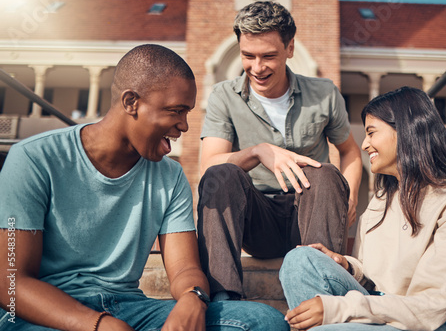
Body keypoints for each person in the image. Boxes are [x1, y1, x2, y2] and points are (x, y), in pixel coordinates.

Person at [0, 44, 289, 331]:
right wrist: (99, 325)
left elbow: (185, 269)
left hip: (131, 309)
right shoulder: (34, 158)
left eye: (187, 112)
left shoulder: (171, 175)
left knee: (264, 322)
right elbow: (10, 282)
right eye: (176, 111)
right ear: (131, 102)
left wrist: (194, 299)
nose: (185, 126)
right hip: (46, 313)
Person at [279, 86, 446, 330]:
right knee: (300, 260)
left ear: (405, 131)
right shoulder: (382, 199)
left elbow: (432, 305)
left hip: (444, 322)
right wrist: (349, 266)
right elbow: (375, 279)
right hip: (385, 308)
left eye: (371, 133)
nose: (364, 144)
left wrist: (337, 309)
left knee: (329, 328)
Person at [197, 1, 362, 302]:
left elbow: (350, 152)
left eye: (268, 56)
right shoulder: (223, 95)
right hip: (257, 219)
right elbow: (209, 164)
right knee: (220, 175)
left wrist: (350, 199)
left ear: (290, 48)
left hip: (312, 214)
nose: (257, 68)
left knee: (325, 173)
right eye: (248, 56)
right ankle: (225, 302)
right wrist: (259, 151)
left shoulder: (325, 93)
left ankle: (319, 301)